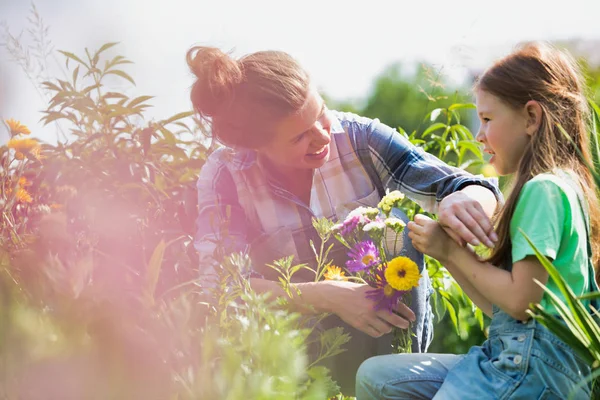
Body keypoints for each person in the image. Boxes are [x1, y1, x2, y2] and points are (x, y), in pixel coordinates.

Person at [188, 45, 501, 394]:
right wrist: (325, 296)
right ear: (256, 146)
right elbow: (222, 288)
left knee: (396, 227)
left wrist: (462, 202)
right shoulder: (227, 175)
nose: (323, 136)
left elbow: (470, 186)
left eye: (320, 114)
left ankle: (398, 385)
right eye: (299, 136)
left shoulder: (359, 138)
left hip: (390, 339)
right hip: (292, 356)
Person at [355, 41, 600, 399]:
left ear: (531, 118)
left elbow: (521, 302)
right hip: (518, 357)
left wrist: (455, 255)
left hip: (533, 370)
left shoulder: (543, 190)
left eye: (487, 119)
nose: (479, 135)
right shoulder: (557, 186)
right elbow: (503, 311)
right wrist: (445, 251)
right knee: (377, 377)